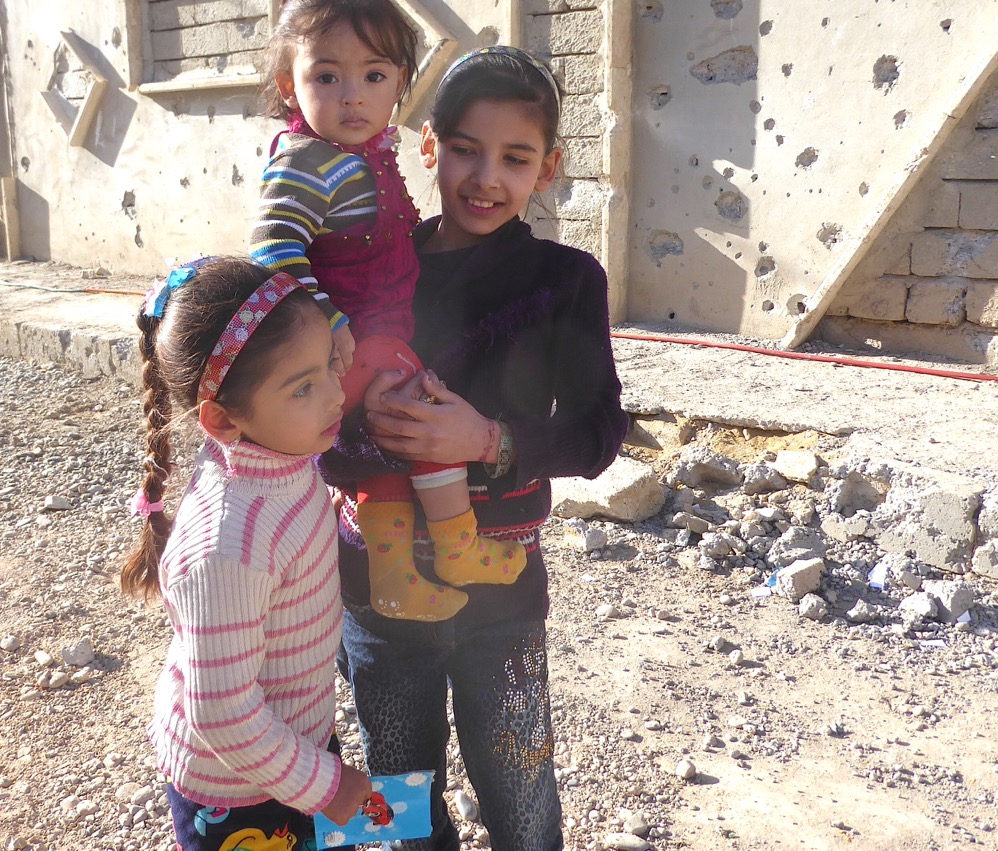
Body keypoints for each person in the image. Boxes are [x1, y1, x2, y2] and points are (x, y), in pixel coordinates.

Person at [322, 46, 630, 851]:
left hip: (505, 600)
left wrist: (488, 440)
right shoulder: (369, 274)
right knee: (395, 806)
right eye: (465, 149)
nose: (485, 176)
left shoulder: (568, 279)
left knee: (525, 803)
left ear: (548, 167)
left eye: (515, 157)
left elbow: (601, 432)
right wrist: (361, 434)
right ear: (429, 146)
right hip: (375, 599)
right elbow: (308, 424)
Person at [251, 0, 527, 624]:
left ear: (401, 84)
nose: (353, 96)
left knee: (390, 444)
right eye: (327, 77)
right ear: (287, 84)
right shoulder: (305, 161)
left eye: (374, 76)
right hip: (349, 339)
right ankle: (457, 547)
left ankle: (395, 576)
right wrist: (331, 321)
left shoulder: (363, 154)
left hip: (366, 335)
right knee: (418, 412)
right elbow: (272, 251)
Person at [120, 256, 371, 850]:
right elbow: (223, 716)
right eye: (304, 386)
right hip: (237, 790)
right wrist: (326, 785)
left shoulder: (277, 453)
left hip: (289, 752)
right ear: (222, 419)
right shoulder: (226, 548)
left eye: (329, 367)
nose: (337, 393)